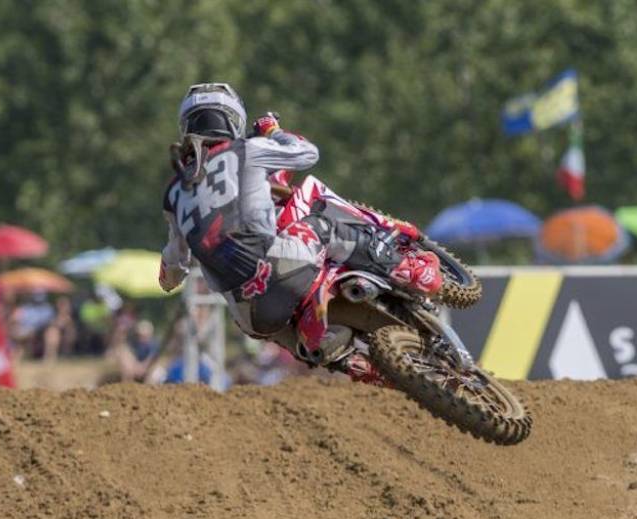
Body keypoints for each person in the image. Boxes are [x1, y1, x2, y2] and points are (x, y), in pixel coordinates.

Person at [158, 82, 442, 366]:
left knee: (271, 329)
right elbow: (307, 153)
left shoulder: (175, 193)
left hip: (251, 315)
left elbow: (173, 271)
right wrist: (272, 131)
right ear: (234, 119)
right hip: (280, 265)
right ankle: (412, 272)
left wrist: (166, 277)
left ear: (186, 127)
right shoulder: (247, 149)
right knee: (322, 226)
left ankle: (343, 360)